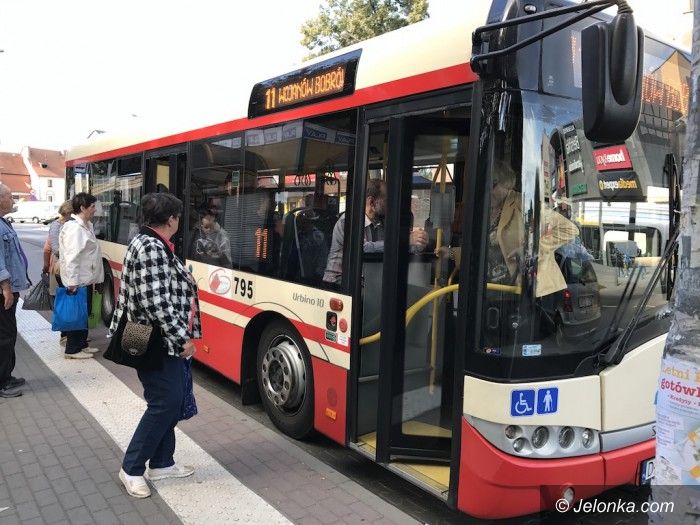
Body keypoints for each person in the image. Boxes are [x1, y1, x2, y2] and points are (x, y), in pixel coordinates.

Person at [112, 192, 201, 499]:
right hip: (156, 340)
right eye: (178, 216)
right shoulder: (150, 246)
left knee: (172, 401)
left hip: (157, 337)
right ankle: (132, 467)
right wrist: (182, 339)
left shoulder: (149, 242)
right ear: (171, 219)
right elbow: (156, 302)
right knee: (165, 403)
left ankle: (162, 463)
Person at [323, 179, 428, 284]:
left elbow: (391, 245)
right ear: (372, 202)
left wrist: (418, 242)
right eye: (387, 201)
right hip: (339, 282)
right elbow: (364, 248)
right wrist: (404, 240)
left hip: (366, 280)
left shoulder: (381, 222)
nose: (391, 205)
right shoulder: (348, 221)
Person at [59, 193, 104, 359]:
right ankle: (72, 349)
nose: (95, 210)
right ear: (82, 208)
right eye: (92, 207)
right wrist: (72, 282)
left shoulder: (87, 225)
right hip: (77, 281)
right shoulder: (75, 229)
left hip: (86, 278)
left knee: (83, 313)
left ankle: (82, 344)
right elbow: (71, 257)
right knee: (76, 314)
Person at [0, 184, 31, 398]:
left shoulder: (3, 222)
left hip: (8, 289)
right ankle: (2, 382)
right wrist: (6, 288)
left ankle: (7, 376)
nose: (13, 200)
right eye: (10, 196)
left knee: (8, 334)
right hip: (3, 291)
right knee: (4, 336)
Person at [42, 200, 74, 345]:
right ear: (68, 212)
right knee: (62, 301)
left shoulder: (71, 224)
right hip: (59, 267)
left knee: (71, 301)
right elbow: (55, 248)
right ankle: (64, 334)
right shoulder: (56, 225)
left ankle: (72, 332)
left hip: (69, 267)